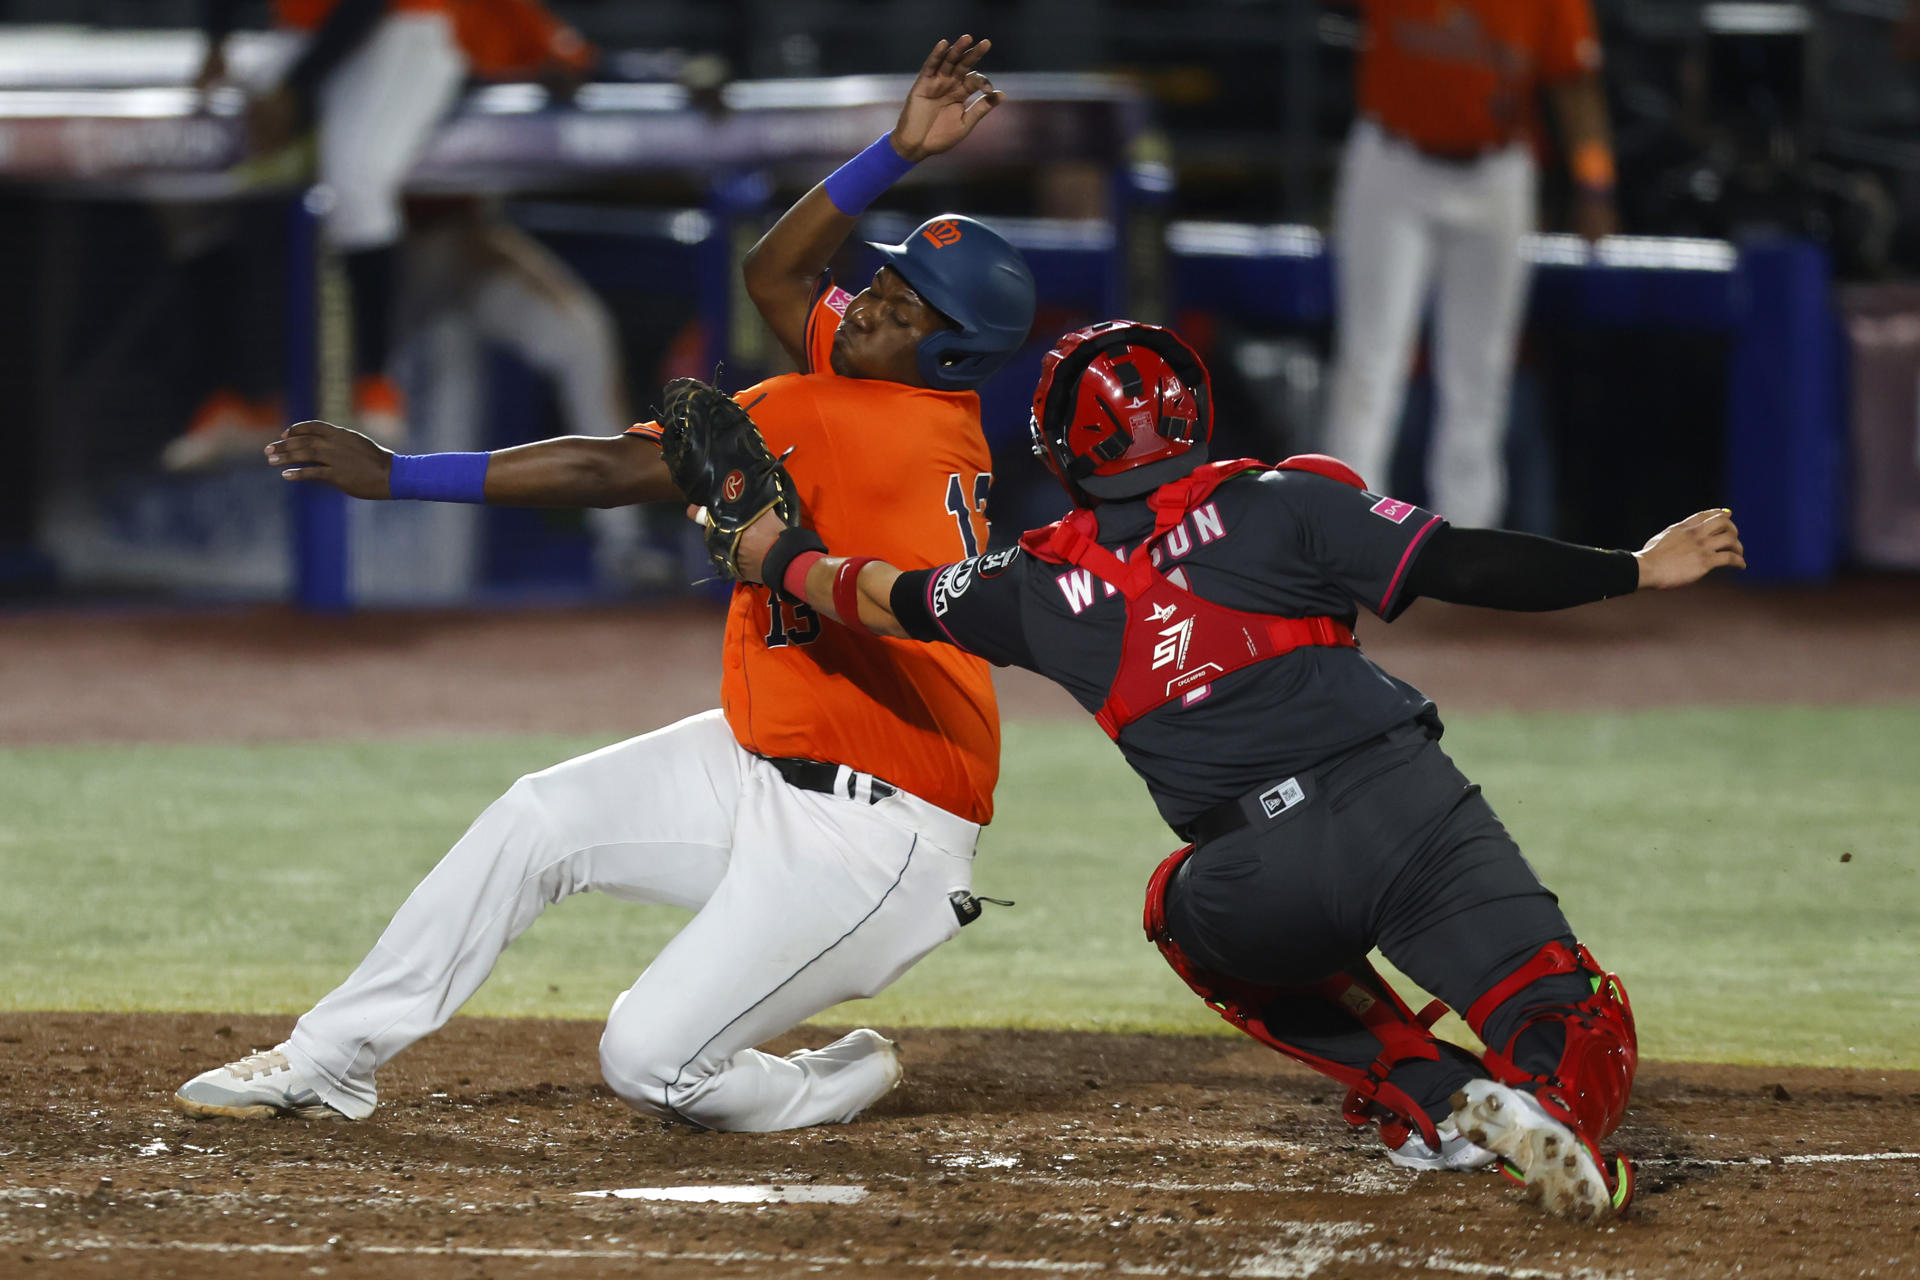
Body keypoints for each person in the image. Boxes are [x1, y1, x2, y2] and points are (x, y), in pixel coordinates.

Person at [174, 36, 1037, 1132]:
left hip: (882, 837)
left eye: (909, 310)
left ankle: (835, 1076)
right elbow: (775, 273)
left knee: (650, 1060)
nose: (871, 305)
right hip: (771, 759)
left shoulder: (853, 420)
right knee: (538, 817)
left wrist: (398, 475)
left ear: (953, 356)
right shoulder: (891, 390)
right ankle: (329, 1056)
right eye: (884, 280)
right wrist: (895, 151)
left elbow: (609, 467)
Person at [712, 320, 1744, 1220]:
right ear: (1193, 412)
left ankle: (1430, 1092)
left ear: (1064, 446)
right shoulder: (1290, 498)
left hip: (1258, 873)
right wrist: (1638, 568)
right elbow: (1460, 562)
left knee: (1178, 904)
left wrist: (771, 553)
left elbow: (883, 594)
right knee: (1566, 1014)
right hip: (1412, 813)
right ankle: (1549, 1114)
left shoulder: (1035, 581)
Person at [166, 0, 596, 471]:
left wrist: (297, 87)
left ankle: (373, 390)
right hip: (297, 32)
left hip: (403, 25)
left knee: (358, 181)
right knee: (206, 191)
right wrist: (215, 47)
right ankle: (238, 401)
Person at [1322, 0, 1619, 528]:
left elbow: (1574, 84)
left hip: (1497, 173)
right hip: (1393, 165)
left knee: (1481, 372)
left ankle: (1466, 539)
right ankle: (1347, 533)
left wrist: (1594, 182)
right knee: (1371, 362)